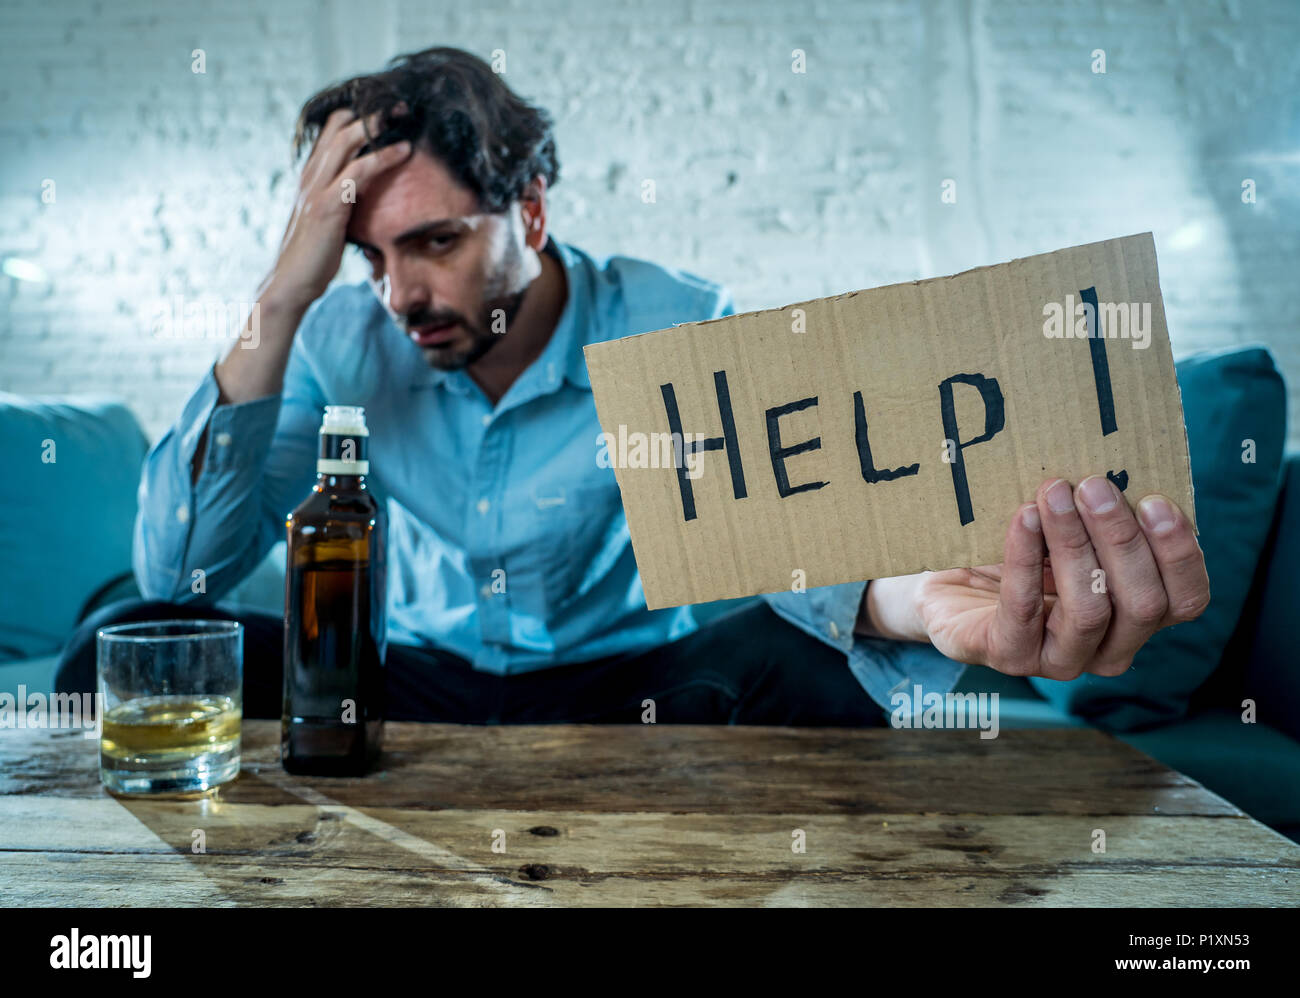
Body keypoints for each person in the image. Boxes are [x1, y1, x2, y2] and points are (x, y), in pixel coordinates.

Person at [55, 47, 1210, 726]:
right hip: (410, 685)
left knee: (794, 669)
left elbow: (807, 532)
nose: (401, 293)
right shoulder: (342, 338)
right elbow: (188, 568)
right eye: (370, 257)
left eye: (437, 242)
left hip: (631, 686)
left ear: (533, 212)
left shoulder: (676, 320)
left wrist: (916, 600)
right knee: (134, 635)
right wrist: (285, 292)